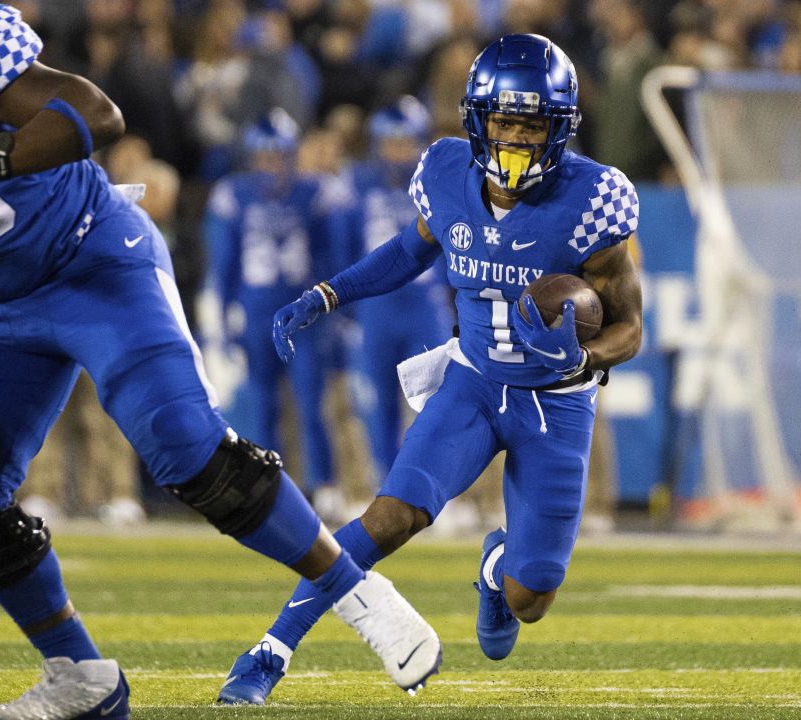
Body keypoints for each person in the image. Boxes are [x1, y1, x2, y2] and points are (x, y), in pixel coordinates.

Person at [0, 3, 439, 719]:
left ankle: (356, 592)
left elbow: (96, 113)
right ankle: (79, 676)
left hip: (91, 259)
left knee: (184, 444)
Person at [219, 33, 644, 705]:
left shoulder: (593, 200)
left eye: (532, 124)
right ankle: (270, 650)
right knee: (390, 516)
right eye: (504, 120)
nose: (515, 138)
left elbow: (630, 326)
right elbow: (411, 250)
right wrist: (330, 293)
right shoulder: (447, 173)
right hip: (472, 384)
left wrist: (584, 356)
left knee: (530, 596)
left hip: (555, 404)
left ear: (559, 128)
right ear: (477, 119)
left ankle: (498, 566)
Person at [201, 109, 342, 511]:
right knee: (262, 404)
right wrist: (223, 315)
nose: (271, 166)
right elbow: (223, 263)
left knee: (310, 402)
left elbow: (330, 257)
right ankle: (269, 486)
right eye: (264, 157)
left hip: (303, 316)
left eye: (278, 156)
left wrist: (332, 310)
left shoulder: (315, 193)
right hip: (257, 313)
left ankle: (325, 485)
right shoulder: (233, 194)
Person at [343, 97, 454, 488]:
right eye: (390, 142)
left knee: (437, 405)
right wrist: (347, 311)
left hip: (425, 307)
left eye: (405, 142)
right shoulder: (356, 185)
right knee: (380, 407)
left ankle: (435, 488)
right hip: (377, 310)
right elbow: (344, 251)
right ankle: (389, 489)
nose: (397, 151)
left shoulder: (440, 186)